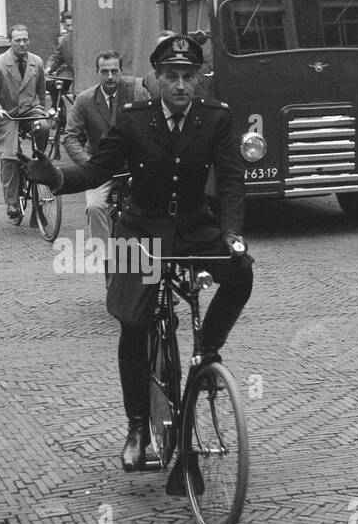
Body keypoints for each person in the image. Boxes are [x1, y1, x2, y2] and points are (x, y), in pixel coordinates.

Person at [24, 33, 253, 471]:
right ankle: (135, 426)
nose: (181, 86)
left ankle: (208, 351)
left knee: (240, 272)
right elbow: (97, 169)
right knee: (133, 324)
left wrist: (231, 232)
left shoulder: (216, 119)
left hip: (193, 226)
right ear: (157, 79)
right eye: (172, 77)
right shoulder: (132, 119)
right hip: (139, 230)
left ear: (198, 80)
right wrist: (54, 178)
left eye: (189, 77)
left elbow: (230, 181)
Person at [63, 50, 148, 252]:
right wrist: (88, 164)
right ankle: (103, 253)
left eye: (114, 71)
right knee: (94, 207)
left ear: (121, 71)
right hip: (100, 164)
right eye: (104, 71)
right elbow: (69, 136)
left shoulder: (137, 93)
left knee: (151, 205)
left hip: (134, 163)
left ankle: (148, 251)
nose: (110, 76)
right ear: (97, 72)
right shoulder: (84, 100)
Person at [0, 25, 50, 223]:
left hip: (29, 110)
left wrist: (40, 112)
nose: (22, 44)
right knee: (9, 155)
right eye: (18, 40)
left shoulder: (37, 62)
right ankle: (12, 202)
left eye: (25, 40)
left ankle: (39, 159)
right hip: (6, 114)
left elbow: (41, 92)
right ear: (10, 41)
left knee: (43, 127)